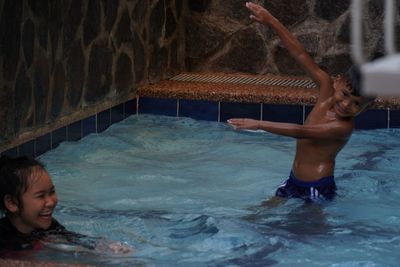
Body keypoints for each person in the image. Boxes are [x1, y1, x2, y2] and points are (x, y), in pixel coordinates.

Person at [228, 2, 376, 203]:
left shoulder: (343, 127)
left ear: (367, 107)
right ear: (338, 81)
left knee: (310, 232)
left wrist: (259, 124)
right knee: (258, 217)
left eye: (357, 104)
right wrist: (271, 21)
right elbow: (299, 54)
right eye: (345, 94)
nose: (346, 104)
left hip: (316, 187)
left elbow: (301, 131)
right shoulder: (326, 88)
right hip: (293, 180)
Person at [0, 155, 132, 254]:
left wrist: (105, 246)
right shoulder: (3, 238)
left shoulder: (46, 226)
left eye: (52, 192)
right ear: (12, 203)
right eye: (41, 196)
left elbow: (73, 238)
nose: (51, 202)